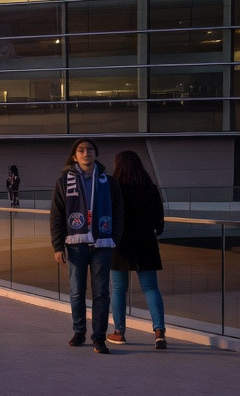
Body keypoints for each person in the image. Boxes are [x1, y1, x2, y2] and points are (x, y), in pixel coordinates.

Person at [49, 137, 124, 354]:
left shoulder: (109, 182)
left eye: (89, 149)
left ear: (95, 154)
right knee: (76, 292)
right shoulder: (65, 182)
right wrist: (57, 246)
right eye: (81, 150)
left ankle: (99, 337)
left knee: (101, 292)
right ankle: (79, 331)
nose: (86, 153)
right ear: (74, 156)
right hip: (75, 244)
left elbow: (119, 212)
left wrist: (115, 237)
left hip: (102, 243)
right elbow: (57, 215)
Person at [107, 150, 167, 349]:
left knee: (118, 289)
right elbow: (159, 219)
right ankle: (159, 332)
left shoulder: (115, 187)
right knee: (151, 288)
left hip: (120, 243)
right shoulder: (150, 187)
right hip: (146, 242)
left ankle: (119, 332)